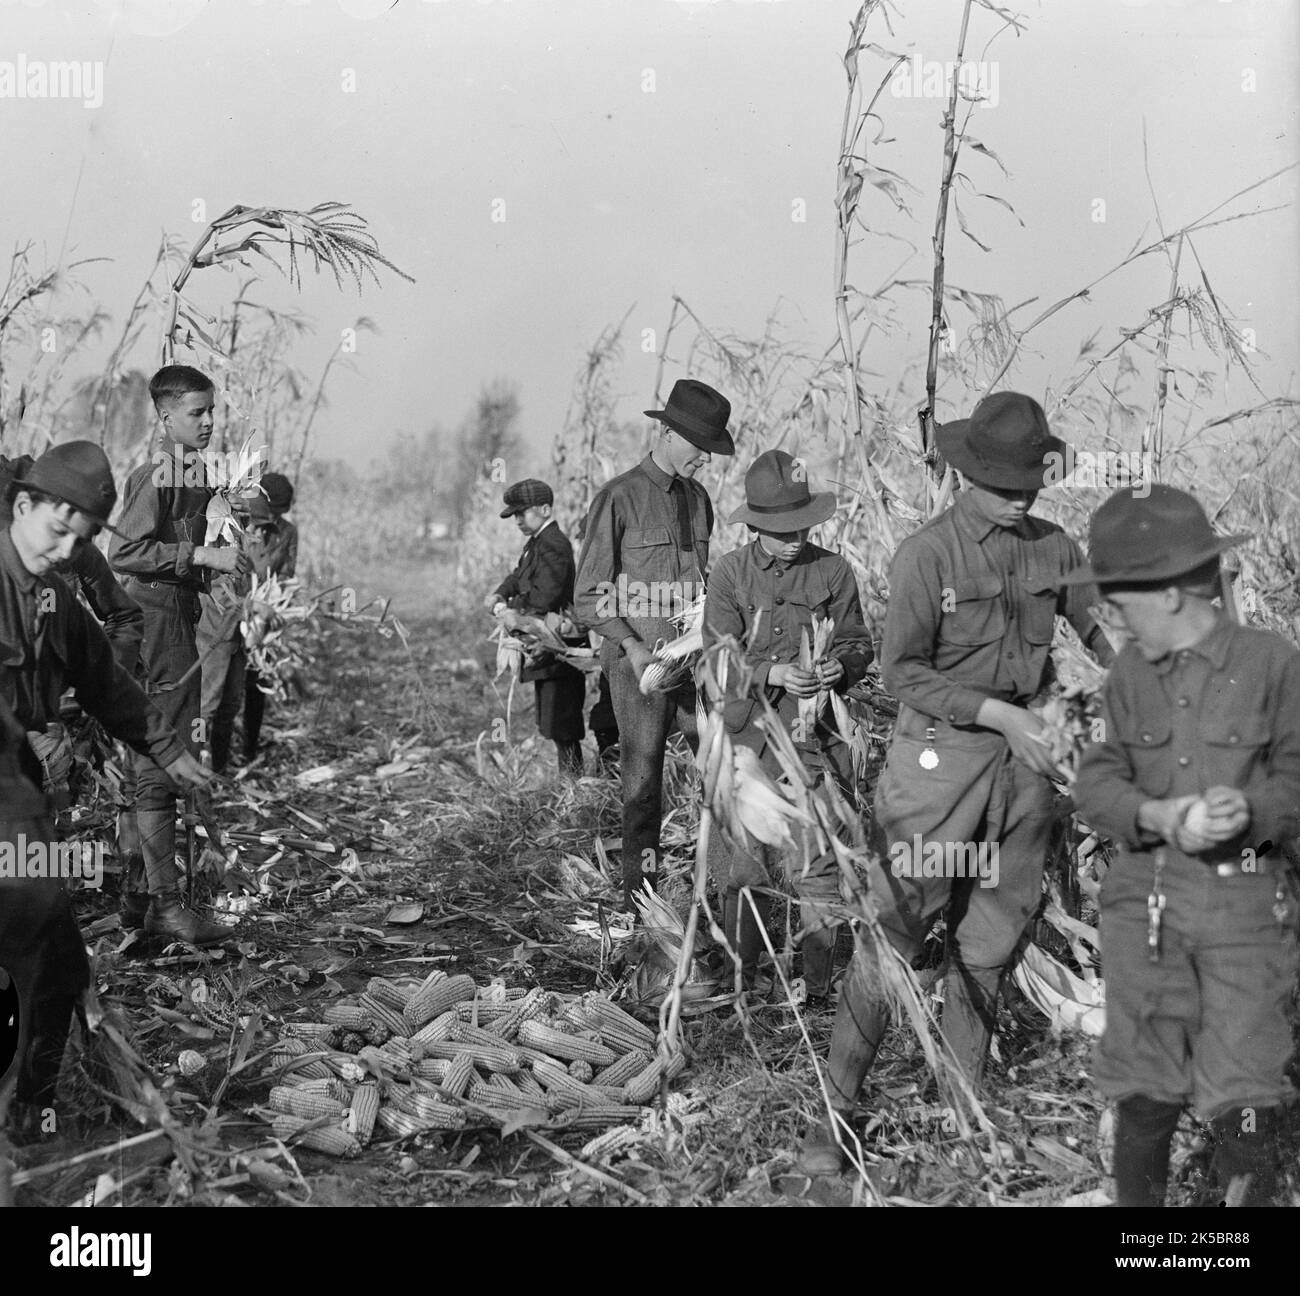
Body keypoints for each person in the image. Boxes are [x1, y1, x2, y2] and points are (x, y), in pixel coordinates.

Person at [798, 391, 1114, 1174]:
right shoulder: (927, 555)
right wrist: (999, 716)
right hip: (937, 767)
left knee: (991, 941)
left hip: (1025, 776)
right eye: (1004, 487)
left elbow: (1099, 628)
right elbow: (902, 671)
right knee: (898, 930)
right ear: (969, 473)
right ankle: (832, 1121)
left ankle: (964, 1111)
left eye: (1029, 487)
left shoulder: (1056, 547)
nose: (1019, 500)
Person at [1069, 486, 1299, 1207]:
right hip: (1148, 907)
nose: (1110, 620)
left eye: (1118, 604)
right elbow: (1095, 782)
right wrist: (1158, 813)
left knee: (1246, 1086)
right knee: (1144, 1085)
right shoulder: (1130, 674)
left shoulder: (1272, 665)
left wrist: (1250, 811)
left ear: (1169, 593)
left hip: (1245, 906)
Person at [0, 442, 214, 1119]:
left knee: (59, 966)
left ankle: (29, 1114)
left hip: (20, 799)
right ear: (22, 506)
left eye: (81, 537)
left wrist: (168, 747)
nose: (66, 548)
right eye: (56, 528)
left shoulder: (56, 602)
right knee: (35, 934)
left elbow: (107, 684)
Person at [702, 450, 873, 1006]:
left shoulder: (833, 571)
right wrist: (771, 671)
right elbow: (716, 662)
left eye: (801, 526)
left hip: (814, 745)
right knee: (745, 869)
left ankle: (819, 988)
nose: (794, 538)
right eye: (779, 531)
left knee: (819, 869)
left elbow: (856, 643)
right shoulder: (730, 573)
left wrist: (837, 667)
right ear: (753, 526)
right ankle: (740, 981)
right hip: (749, 741)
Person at [574, 378, 735, 909]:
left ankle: (724, 893)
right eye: (699, 447)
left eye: (711, 451)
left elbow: (703, 582)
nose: (705, 460)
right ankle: (640, 899)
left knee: (720, 773)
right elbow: (589, 595)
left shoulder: (699, 500)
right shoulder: (618, 497)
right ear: (664, 432)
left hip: (694, 664)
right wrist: (633, 645)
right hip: (636, 668)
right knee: (642, 788)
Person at [108, 364, 250, 945]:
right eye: (197, 412)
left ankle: (140, 901)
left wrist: (221, 557)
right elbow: (125, 551)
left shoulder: (192, 472)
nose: (210, 422)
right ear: (166, 418)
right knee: (161, 764)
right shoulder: (160, 474)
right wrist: (200, 558)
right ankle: (163, 907)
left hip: (175, 616)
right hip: (158, 624)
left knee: (157, 759)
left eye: (213, 411)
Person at [488, 478, 587, 778]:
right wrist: (499, 595)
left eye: (522, 512)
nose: (517, 519)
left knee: (563, 726)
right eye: (514, 514)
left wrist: (512, 609)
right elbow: (519, 576)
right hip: (546, 649)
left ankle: (574, 790)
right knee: (554, 724)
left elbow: (546, 596)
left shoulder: (554, 545)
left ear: (545, 509)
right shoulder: (537, 544)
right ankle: (570, 789)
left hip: (559, 647)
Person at [242, 472, 298, 763]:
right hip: (239, 607)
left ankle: (249, 748)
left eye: (280, 513)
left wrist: (276, 603)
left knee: (257, 680)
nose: (274, 519)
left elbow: (287, 574)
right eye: (272, 511)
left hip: (268, 613)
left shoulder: (288, 533)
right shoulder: (245, 525)